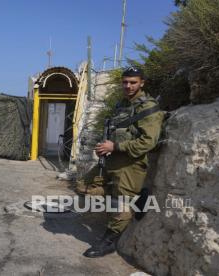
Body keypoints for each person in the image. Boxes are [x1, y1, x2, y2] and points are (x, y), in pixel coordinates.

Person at [78, 67, 165, 258]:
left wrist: (115, 147)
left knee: (120, 205)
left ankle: (108, 242)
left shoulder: (148, 108)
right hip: (112, 159)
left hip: (131, 164)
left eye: (133, 82)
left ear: (142, 83)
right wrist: (104, 147)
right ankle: (137, 197)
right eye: (125, 82)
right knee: (84, 185)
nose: (128, 86)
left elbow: (148, 142)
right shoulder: (122, 105)